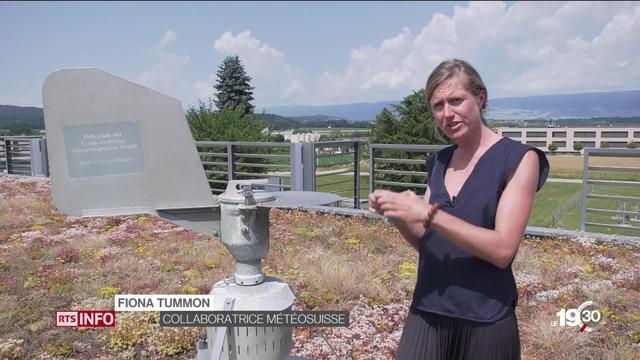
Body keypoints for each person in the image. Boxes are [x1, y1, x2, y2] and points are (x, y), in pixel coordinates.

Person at [368, 59, 549, 360]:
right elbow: (427, 242)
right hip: (427, 310)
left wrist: (431, 214)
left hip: (486, 319)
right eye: (438, 106)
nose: (447, 114)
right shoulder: (438, 162)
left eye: (456, 100)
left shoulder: (518, 159)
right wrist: (398, 214)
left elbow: (503, 250)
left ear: (481, 97)